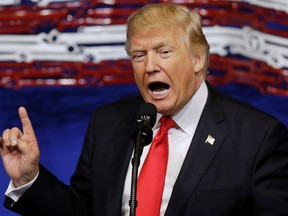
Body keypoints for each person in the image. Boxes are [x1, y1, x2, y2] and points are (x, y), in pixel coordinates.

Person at [1, 3, 288, 216]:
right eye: (139, 55)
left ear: (198, 59)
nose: (150, 66)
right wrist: (29, 179)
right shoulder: (108, 123)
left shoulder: (258, 137)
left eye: (164, 52)